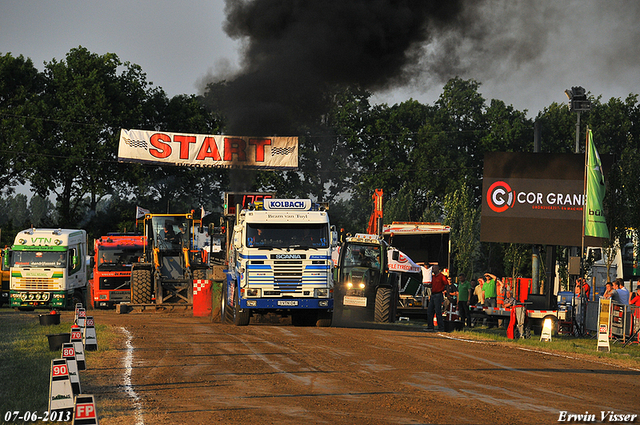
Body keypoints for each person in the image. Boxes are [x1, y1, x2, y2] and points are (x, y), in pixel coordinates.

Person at [426, 264, 448, 331]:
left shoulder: (441, 276)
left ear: (437, 269)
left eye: (434, 268)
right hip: (433, 294)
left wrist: (447, 293)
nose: (432, 270)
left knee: (438, 311)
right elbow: (431, 285)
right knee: (430, 311)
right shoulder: (433, 277)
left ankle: (440, 327)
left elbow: (446, 284)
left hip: (438, 294)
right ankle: (430, 326)